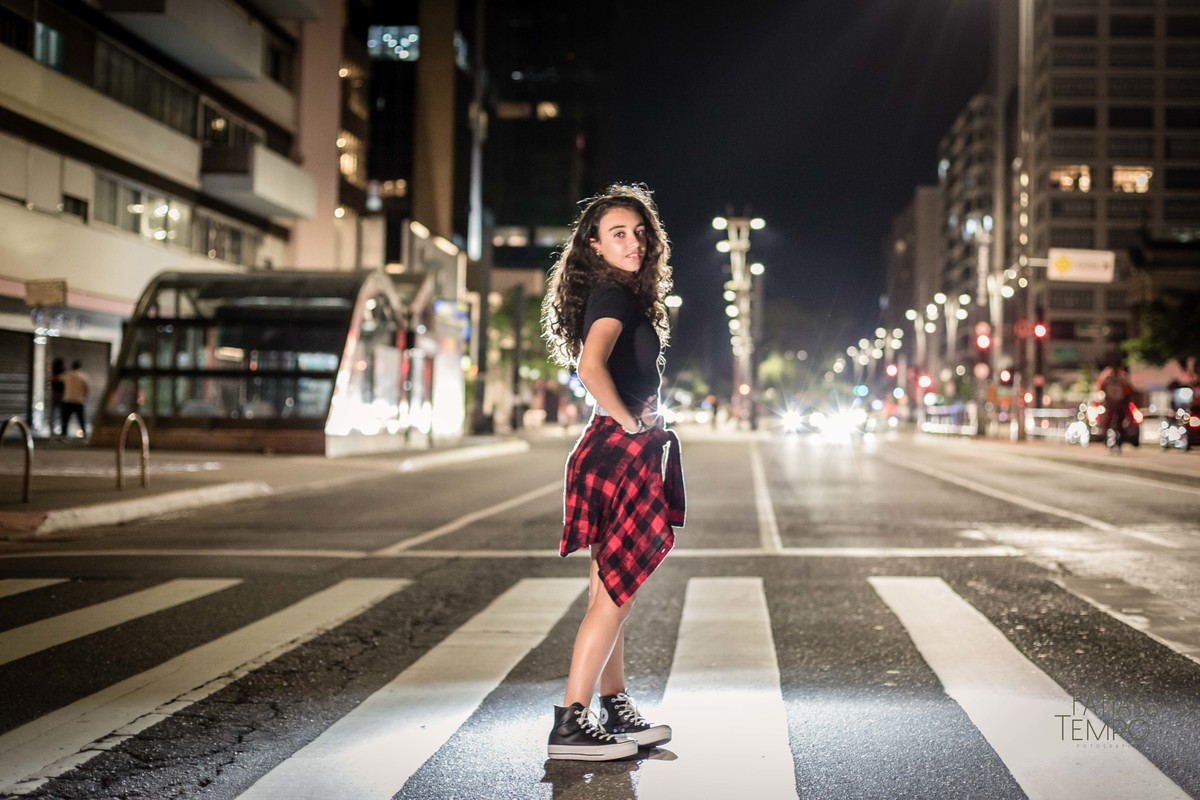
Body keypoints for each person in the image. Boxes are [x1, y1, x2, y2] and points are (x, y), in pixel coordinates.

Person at [541, 184, 685, 761]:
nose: (633, 242)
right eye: (618, 234)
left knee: (610, 589)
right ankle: (571, 723)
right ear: (595, 246)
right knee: (615, 594)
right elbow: (589, 366)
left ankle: (613, 705)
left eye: (639, 233)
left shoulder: (621, 295)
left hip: (611, 449)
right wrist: (630, 422)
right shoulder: (613, 297)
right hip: (619, 450)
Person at [1095, 362, 1133, 449]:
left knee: (1120, 422)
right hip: (1110, 403)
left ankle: (1121, 440)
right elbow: (1101, 388)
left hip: (1120, 403)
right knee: (1107, 421)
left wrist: (1126, 400)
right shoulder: (1106, 377)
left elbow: (1128, 391)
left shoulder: (1123, 377)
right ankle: (1105, 437)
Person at [60, 360, 89, 438]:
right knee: (81, 420)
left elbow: (56, 378)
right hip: (78, 401)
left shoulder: (67, 374)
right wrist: (85, 397)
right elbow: (86, 388)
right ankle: (84, 434)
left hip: (68, 400)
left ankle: (64, 435)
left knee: (65, 420)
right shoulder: (83, 376)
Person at [49, 358, 65, 437]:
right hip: (61, 394)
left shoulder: (53, 371)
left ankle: (52, 428)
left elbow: (51, 380)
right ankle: (60, 429)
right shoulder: (62, 371)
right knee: (61, 413)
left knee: (53, 412)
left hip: (54, 393)